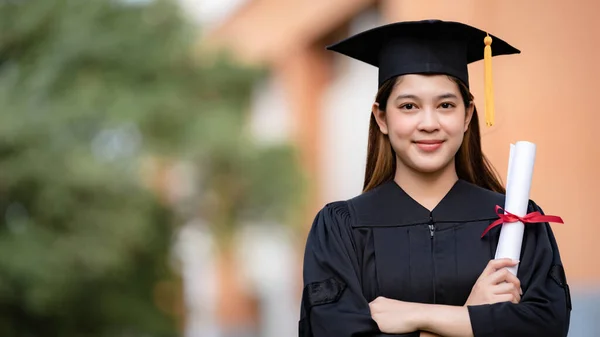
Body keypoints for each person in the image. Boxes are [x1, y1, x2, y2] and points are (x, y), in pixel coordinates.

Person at [298, 19, 571, 337]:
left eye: (445, 105)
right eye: (409, 106)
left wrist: (415, 316)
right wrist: (470, 317)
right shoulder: (340, 229)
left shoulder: (517, 222)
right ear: (382, 117)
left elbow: (545, 326)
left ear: (467, 115)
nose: (429, 123)